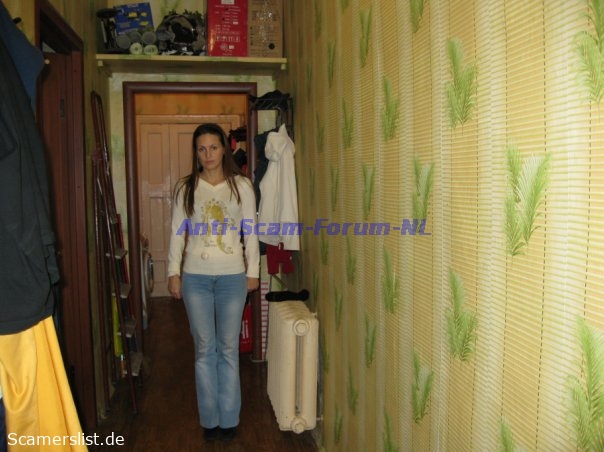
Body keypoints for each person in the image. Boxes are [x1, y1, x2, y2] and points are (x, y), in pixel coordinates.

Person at [167, 123, 260, 442]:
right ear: (196, 152)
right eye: (201, 149)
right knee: (205, 349)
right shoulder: (185, 188)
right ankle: (210, 419)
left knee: (229, 348)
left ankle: (229, 418)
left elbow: (251, 231)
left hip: (233, 276)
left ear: (224, 149)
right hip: (196, 278)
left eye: (214, 147)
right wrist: (173, 271)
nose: (208, 154)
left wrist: (253, 271)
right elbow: (178, 231)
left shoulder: (241, 186)